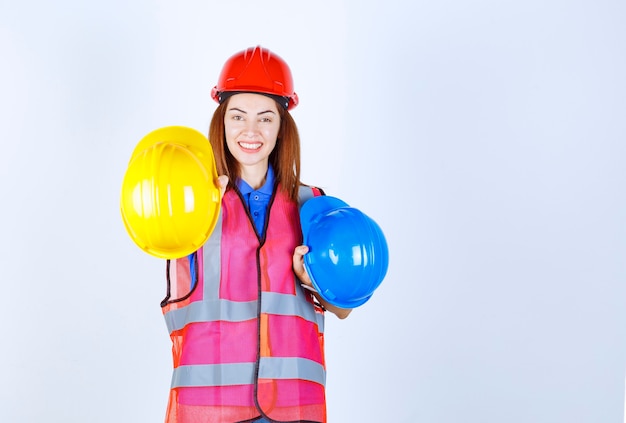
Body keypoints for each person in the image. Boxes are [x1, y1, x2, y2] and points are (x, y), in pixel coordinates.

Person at [160, 46, 352, 423]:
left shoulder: (311, 207)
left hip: (292, 405)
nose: (251, 130)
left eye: (265, 118)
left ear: (282, 127)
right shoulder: (191, 203)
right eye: (238, 116)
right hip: (209, 408)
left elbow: (344, 307)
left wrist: (314, 281)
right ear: (222, 122)